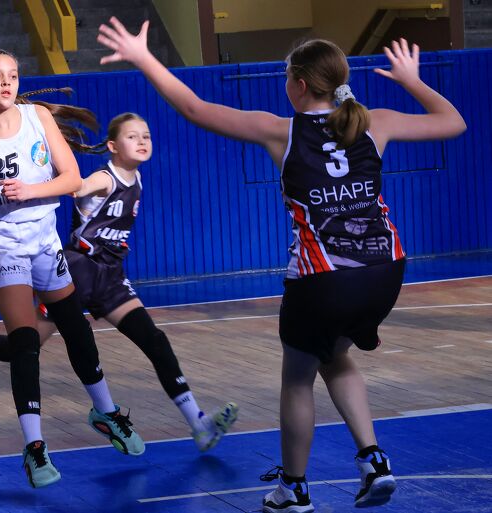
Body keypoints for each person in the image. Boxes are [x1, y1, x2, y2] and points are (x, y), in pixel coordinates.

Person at [96, 19, 466, 513]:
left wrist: (144, 57)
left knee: (297, 379)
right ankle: (373, 460)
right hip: (386, 270)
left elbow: (194, 108)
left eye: (287, 77)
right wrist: (413, 81)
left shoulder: (282, 131)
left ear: (300, 84)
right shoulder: (375, 122)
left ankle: (293, 489)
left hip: (324, 277)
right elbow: (454, 122)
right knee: (336, 355)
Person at [0, 112, 239, 452]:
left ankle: (198, 423)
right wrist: (58, 184)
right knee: (25, 347)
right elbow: (77, 185)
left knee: (154, 340)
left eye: (146, 135)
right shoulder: (104, 179)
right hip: (78, 271)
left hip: (110, 276)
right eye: (132, 136)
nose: (142, 141)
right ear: (113, 146)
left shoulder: (136, 179)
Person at [0, 48, 144, 489]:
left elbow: (72, 178)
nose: (6, 82)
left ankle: (106, 412)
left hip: (43, 239)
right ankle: (35, 447)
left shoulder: (38, 117)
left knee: (76, 329)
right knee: (25, 343)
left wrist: (30, 191)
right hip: (1, 245)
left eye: (13, 75)